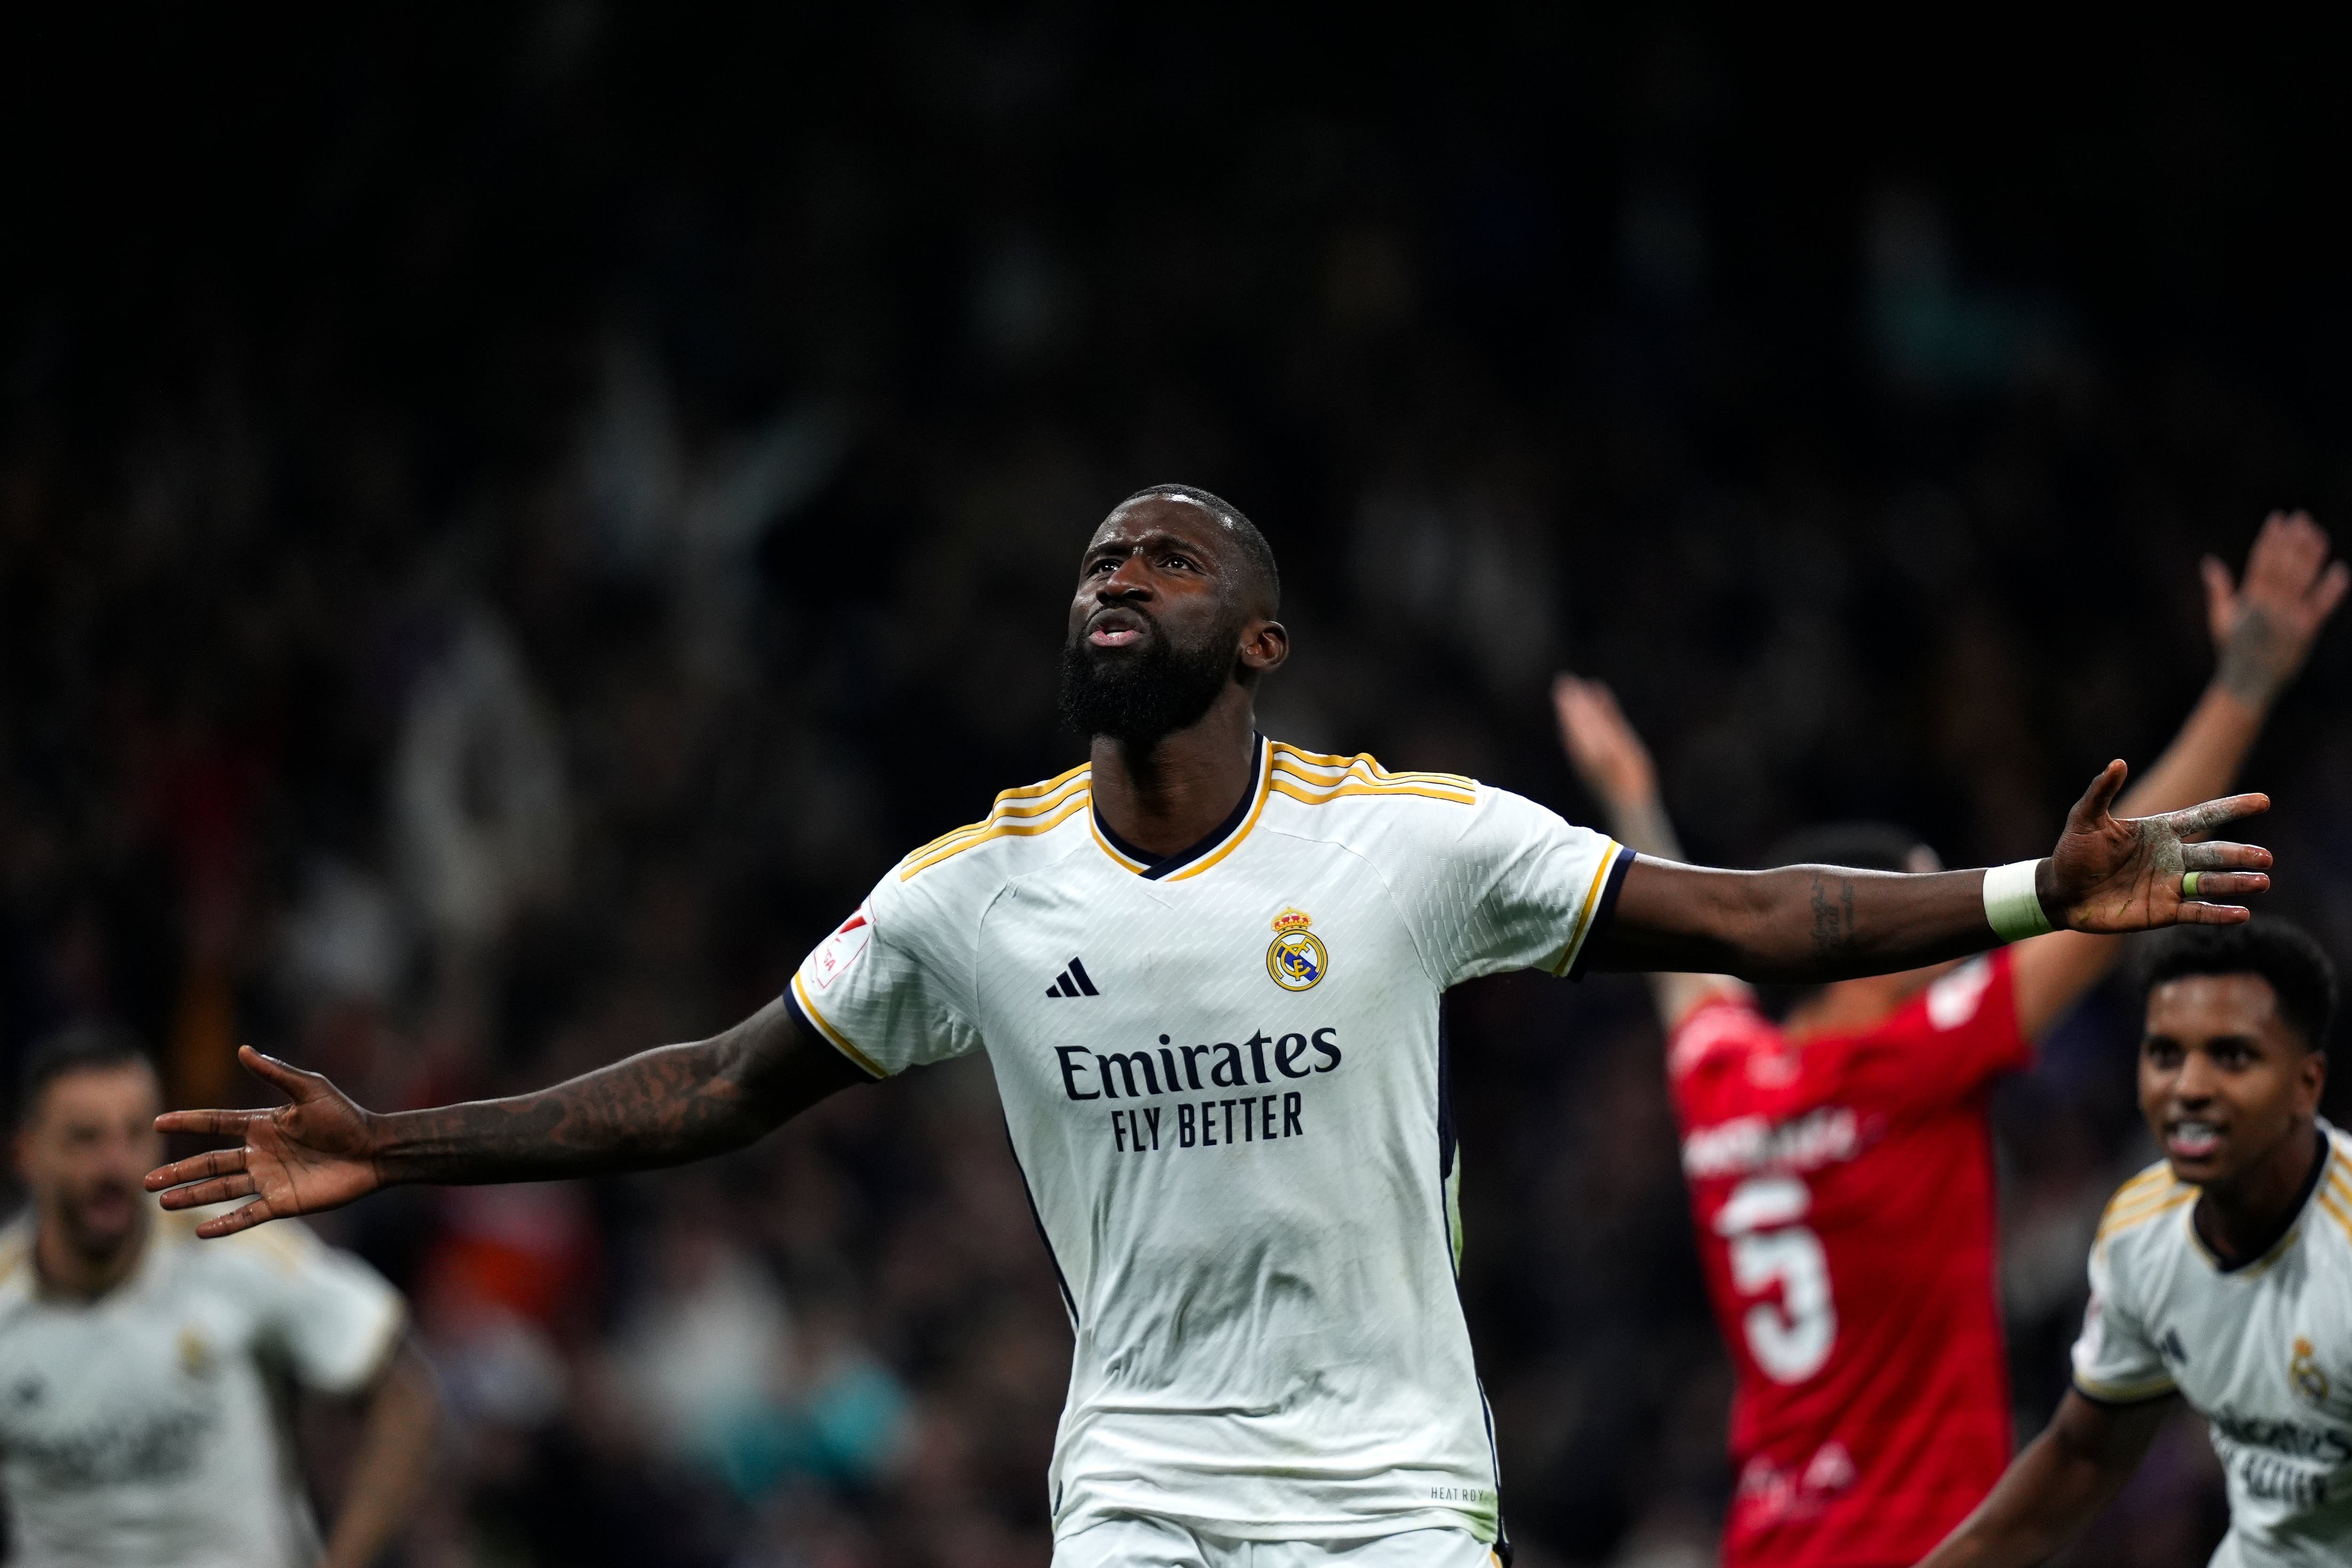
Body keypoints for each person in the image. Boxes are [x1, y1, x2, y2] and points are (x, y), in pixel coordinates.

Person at [145, 484, 2272, 1568]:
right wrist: (401, 1145)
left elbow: (1754, 913)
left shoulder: (1414, 846)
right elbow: (710, 1086)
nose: (1112, 576)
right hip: (1145, 1479)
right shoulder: (973, 888)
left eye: (1161, 562)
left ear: (1257, 638)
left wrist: (2025, 889)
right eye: (1094, 557)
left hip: (1391, 1483)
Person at [1553, 511, 2345, 1568]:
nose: (1937, 928)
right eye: (1909, 902)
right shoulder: (1917, 1058)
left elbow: (1679, 964)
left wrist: (1630, 797)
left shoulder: (1723, 1076)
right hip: (1926, 1544)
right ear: (1858, 942)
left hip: (1768, 1543)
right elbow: (2108, 884)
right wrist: (2245, 684)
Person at [1916, 919, 2348, 1568]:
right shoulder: (2143, 1227)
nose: (2189, 1088)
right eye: (2166, 1053)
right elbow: (2084, 1456)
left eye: (2232, 1055)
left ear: (2305, 1084)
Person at [0, 1024, 437, 1568]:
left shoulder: (232, 1249)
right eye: (86, 1138)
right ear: (25, 1151)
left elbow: (405, 1395)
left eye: (135, 1134)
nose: (115, 1165)